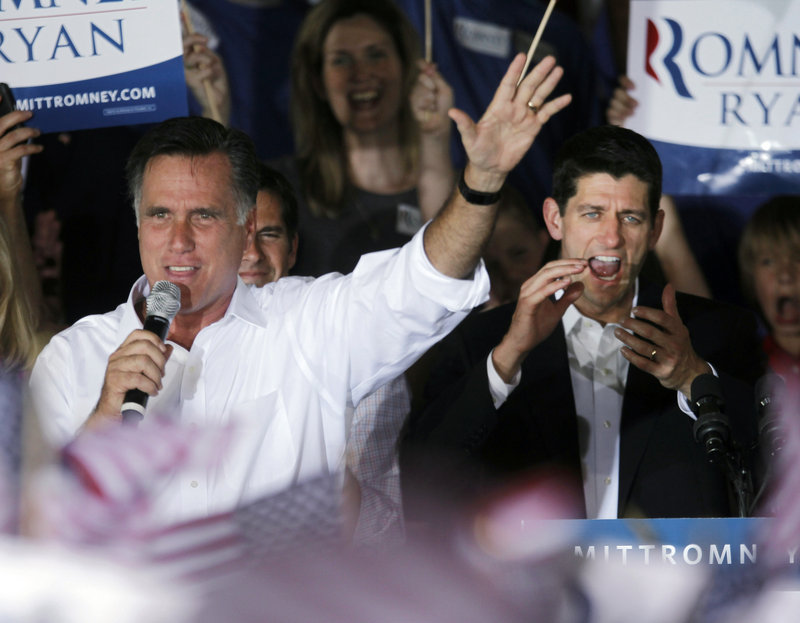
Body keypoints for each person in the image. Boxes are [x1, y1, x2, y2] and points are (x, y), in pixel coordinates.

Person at [27, 52, 572, 526]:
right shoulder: (75, 357)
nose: (179, 242)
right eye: (160, 215)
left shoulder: (309, 323)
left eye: (204, 216)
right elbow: (30, 533)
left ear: (245, 229)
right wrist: (103, 417)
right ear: (137, 222)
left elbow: (423, 283)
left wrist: (483, 179)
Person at [401, 125, 762, 523]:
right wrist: (507, 359)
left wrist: (694, 378)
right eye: (592, 214)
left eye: (630, 217)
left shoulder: (718, 333)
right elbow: (423, 475)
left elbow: (779, 465)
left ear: (656, 229)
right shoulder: (481, 343)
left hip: (674, 581)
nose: (611, 237)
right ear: (555, 219)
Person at [238, 162, 406, 546]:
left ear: (293, 247)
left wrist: (334, 485)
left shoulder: (356, 350)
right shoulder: (175, 349)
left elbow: (387, 533)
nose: (252, 255)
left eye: (269, 234)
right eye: (237, 236)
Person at [274, 0, 456, 276]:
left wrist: (434, 139)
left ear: (406, 67)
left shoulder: (449, 183)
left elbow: (450, 273)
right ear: (318, 82)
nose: (361, 73)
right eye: (341, 60)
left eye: (376, 55)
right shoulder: (280, 188)